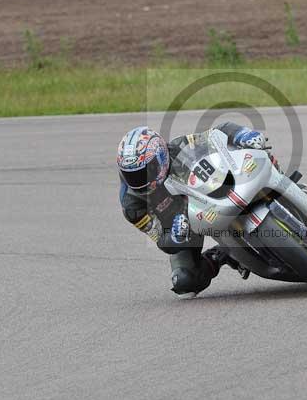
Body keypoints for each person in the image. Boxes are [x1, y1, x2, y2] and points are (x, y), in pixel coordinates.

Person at [117, 123, 288, 298]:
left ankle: (286, 185)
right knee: (185, 282)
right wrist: (175, 237)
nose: (140, 180)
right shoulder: (132, 206)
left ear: (160, 155)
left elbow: (219, 131)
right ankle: (224, 254)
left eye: (146, 170)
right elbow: (160, 238)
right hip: (185, 225)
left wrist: (242, 135)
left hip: (212, 193)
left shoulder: (181, 146)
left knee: (254, 153)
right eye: (132, 175)